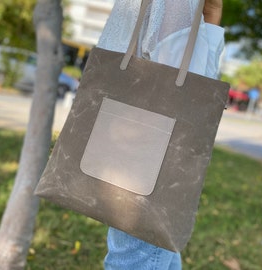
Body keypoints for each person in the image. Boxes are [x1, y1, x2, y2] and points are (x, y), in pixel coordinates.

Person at [96, 0, 225, 269]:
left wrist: (211, 14)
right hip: (151, 148)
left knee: (158, 251)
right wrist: (211, 21)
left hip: (128, 137)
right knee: (135, 257)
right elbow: (193, 88)